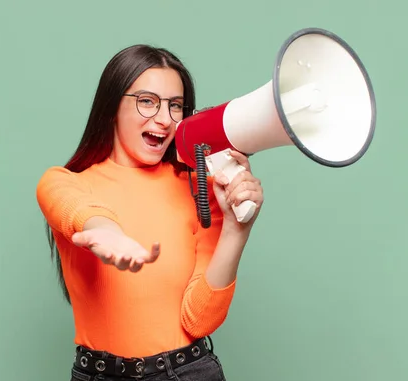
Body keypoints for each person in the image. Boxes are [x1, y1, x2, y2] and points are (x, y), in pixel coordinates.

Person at [36, 44, 264, 381]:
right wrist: (106, 232)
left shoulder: (201, 189)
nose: (164, 119)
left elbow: (199, 320)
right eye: (147, 101)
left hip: (188, 371)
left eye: (176, 106)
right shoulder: (63, 183)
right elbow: (74, 208)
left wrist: (236, 229)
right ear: (112, 105)